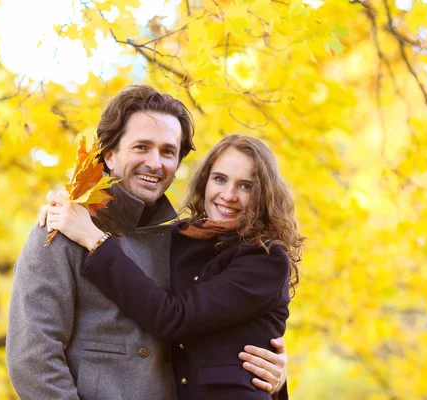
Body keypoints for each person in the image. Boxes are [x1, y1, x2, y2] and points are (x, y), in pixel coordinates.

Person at [6, 86, 288, 400]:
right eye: (142, 147)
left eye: (168, 151)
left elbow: (209, 322)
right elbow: (32, 361)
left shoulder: (181, 242)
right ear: (110, 155)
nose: (155, 163)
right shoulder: (61, 232)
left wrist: (275, 370)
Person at [45, 134, 303, 399]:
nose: (228, 195)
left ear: (264, 195)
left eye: (246, 186)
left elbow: (173, 318)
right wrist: (65, 207)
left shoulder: (265, 259)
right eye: (220, 179)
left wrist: (94, 240)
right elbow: (130, 236)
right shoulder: (181, 238)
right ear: (205, 181)